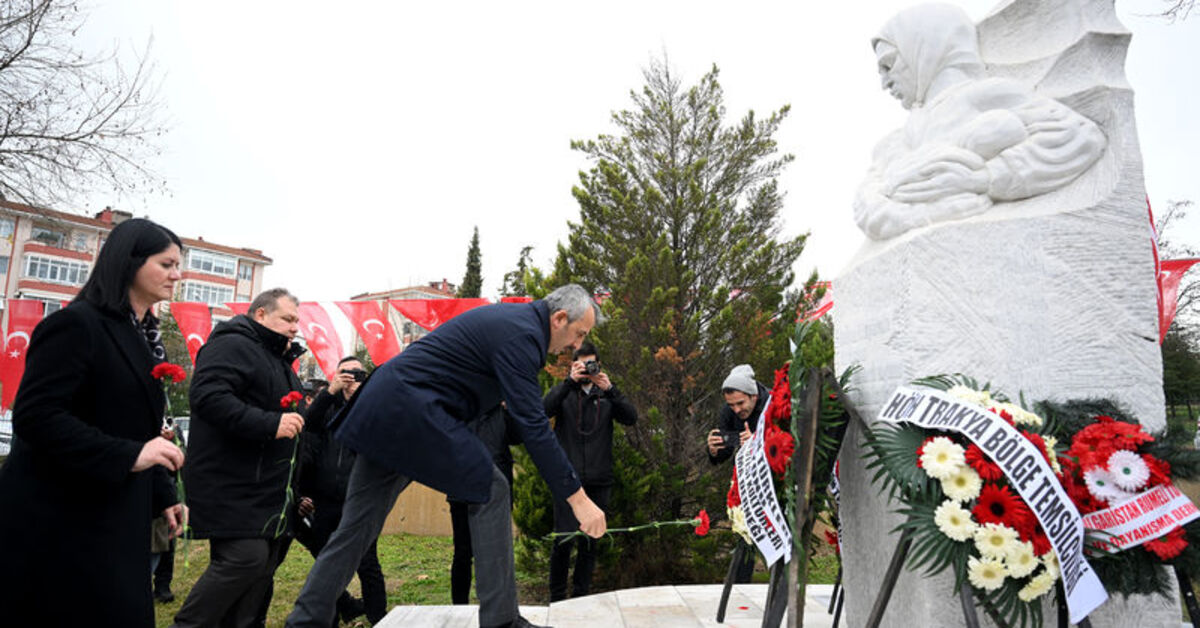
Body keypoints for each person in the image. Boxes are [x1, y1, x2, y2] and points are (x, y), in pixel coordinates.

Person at [287, 284, 608, 628]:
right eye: (579, 334)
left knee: (356, 526)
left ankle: (305, 620)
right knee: (492, 490)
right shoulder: (523, 334)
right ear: (559, 318)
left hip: (385, 411)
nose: (576, 345)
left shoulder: (512, 323)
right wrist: (578, 499)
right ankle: (501, 621)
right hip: (412, 412)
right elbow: (533, 424)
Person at [0, 218, 186, 627]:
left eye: (179, 265)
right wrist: (130, 455)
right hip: (62, 517)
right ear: (129, 262)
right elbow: (36, 416)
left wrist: (162, 494)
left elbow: (140, 427)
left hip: (117, 512)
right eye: (167, 263)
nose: (177, 275)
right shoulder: (77, 325)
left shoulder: (144, 334)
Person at [853, 3, 1106, 240]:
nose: (885, 83)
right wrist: (929, 213)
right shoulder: (897, 140)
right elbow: (866, 204)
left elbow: (1080, 136)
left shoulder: (984, 95)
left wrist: (985, 178)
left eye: (889, 65)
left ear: (925, 48)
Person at [172, 288, 306, 628]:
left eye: (297, 321)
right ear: (260, 314)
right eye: (288, 318)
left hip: (269, 490)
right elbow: (208, 397)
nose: (294, 327)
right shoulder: (232, 345)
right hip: (232, 484)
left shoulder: (278, 358)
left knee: (261, 570)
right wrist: (270, 423)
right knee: (244, 560)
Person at [294, 356, 386, 625]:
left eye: (359, 374)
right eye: (346, 373)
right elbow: (308, 424)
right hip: (325, 500)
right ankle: (331, 617)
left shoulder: (369, 405)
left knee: (368, 563)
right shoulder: (327, 407)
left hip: (358, 500)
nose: (352, 378)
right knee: (327, 562)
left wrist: (362, 394)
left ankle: (378, 618)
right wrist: (331, 391)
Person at [543, 341, 637, 601]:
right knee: (562, 541)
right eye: (581, 365)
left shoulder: (606, 395)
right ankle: (558, 599)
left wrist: (611, 389)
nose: (587, 369)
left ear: (599, 365)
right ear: (573, 365)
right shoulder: (565, 393)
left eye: (591, 364)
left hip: (599, 480)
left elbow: (631, 417)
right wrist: (568, 382)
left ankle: (582, 598)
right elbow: (543, 410)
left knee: (589, 544)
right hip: (567, 481)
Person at [705, 363, 769, 583]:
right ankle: (741, 586)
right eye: (731, 405)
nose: (737, 410)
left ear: (753, 395)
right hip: (745, 481)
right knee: (745, 534)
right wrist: (714, 450)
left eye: (740, 403)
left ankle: (781, 583)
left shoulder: (772, 403)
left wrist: (757, 444)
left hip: (774, 479)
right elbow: (724, 453)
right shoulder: (729, 411)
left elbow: (788, 443)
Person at [449, 403, 518, 605]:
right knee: (462, 552)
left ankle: (496, 608)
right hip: (462, 488)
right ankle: (459, 607)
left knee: (496, 554)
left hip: (495, 492)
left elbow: (519, 436)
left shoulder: (502, 410)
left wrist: (510, 410)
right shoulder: (458, 405)